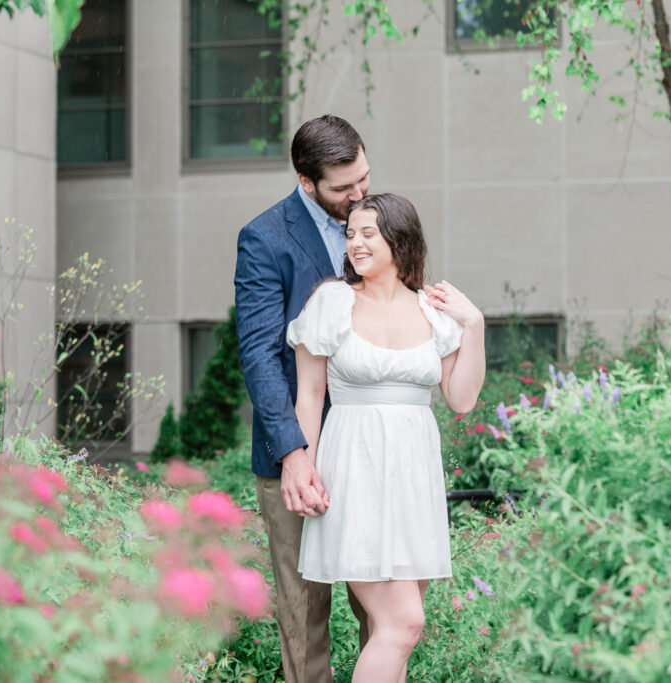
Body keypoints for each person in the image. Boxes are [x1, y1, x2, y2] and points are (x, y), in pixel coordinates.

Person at [286, 193, 486, 682]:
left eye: (367, 233)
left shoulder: (432, 311)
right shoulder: (332, 302)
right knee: (403, 623)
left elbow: (461, 399)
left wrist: (474, 325)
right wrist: (302, 466)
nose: (355, 242)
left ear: (400, 237)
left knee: (391, 629)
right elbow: (310, 396)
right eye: (350, 233)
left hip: (412, 477)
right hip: (355, 468)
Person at [233, 115, 372, 683]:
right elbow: (261, 355)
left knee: (383, 608)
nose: (358, 195)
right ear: (306, 180)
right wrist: (294, 453)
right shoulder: (264, 238)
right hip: (295, 455)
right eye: (343, 188)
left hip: (370, 446)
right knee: (303, 613)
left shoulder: (381, 221)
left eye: (363, 178)